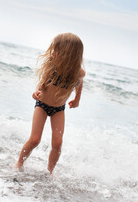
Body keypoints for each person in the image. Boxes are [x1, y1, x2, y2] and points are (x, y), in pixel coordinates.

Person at [15, 33, 85, 174]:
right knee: (35, 139)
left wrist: (77, 99)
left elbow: (79, 85)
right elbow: (42, 83)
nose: (53, 52)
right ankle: (19, 164)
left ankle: (50, 172)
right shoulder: (52, 65)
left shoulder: (78, 72)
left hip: (59, 109)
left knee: (58, 143)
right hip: (42, 105)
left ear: (68, 53)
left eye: (56, 49)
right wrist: (37, 91)